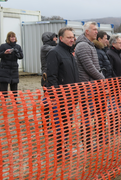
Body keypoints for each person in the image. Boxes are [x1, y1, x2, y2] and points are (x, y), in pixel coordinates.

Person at [46, 27, 79, 161]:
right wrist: (57, 97)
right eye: (69, 37)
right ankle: (59, 152)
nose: (72, 39)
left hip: (72, 97)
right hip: (61, 98)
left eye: (73, 37)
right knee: (60, 125)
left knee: (67, 124)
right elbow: (52, 77)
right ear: (61, 38)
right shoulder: (55, 53)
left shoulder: (70, 53)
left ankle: (64, 149)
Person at [75, 21, 105, 152]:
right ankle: (87, 144)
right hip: (86, 86)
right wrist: (102, 79)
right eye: (94, 29)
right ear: (87, 31)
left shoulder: (90, 44)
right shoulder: (82, 45)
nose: (96, 31)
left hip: (92, 85)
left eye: (96, 29)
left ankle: (90, 142)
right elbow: (89, 67)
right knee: (86, 116)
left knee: (91, 115)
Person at [0, 31, 23, 96]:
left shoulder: (18, 47)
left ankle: (14, 100)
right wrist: (4, 53)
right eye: (11, 37)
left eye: (14, 36)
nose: (13, 38)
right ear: (8, 38)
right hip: (4, 69)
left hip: (14, 69)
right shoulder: (3, 46)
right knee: (3, 87)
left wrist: (17, 53)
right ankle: (3, 101)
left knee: (14, 86)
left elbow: (21, 56)